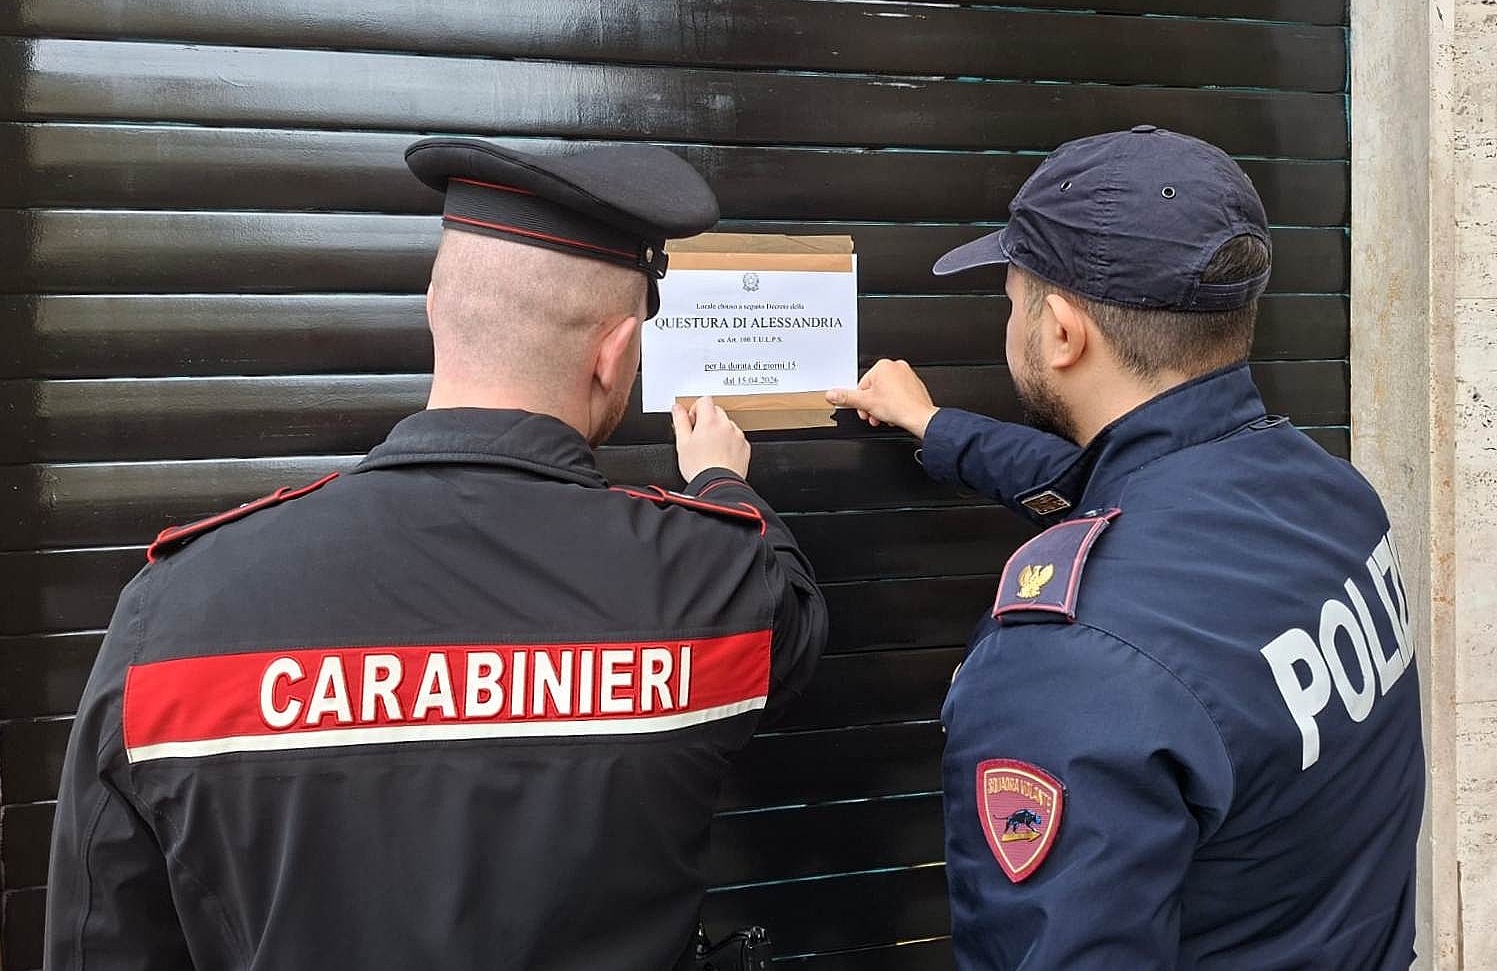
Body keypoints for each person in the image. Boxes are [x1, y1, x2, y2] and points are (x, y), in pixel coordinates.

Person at [45, 138, 827, 971]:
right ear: (613, 352)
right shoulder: (712, 580)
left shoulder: (174, 611)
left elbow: (102, 936)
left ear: (433, 309)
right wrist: (721, 482)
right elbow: (793, 614)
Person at [828, 126, 1424, 970]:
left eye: (1011, 301)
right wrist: (933, 425)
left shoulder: (1066, 666)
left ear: (1060, 332)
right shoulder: (1332, 498)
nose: (1009, 321)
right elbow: (1115, 481)